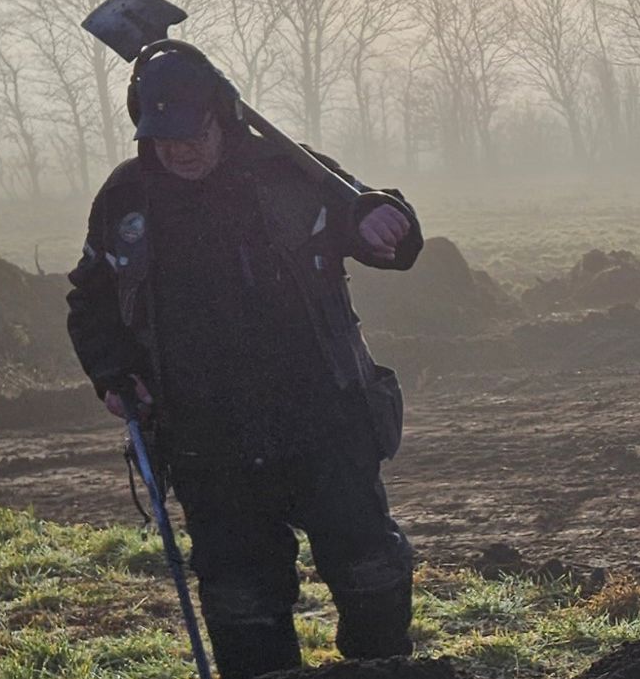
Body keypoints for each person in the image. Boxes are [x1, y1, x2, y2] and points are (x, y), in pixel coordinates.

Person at [66, 42, 424, 677]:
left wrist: (386, 219)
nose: (180, 150)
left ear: (223, 117)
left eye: (192, 133)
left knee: (371, 572)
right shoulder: (127, 201)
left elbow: (373, 222)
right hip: (208, 439)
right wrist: (112, 373)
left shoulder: (286, 171)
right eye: (162, 135)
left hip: (324, 419)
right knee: (241, 602)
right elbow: (91, 302)